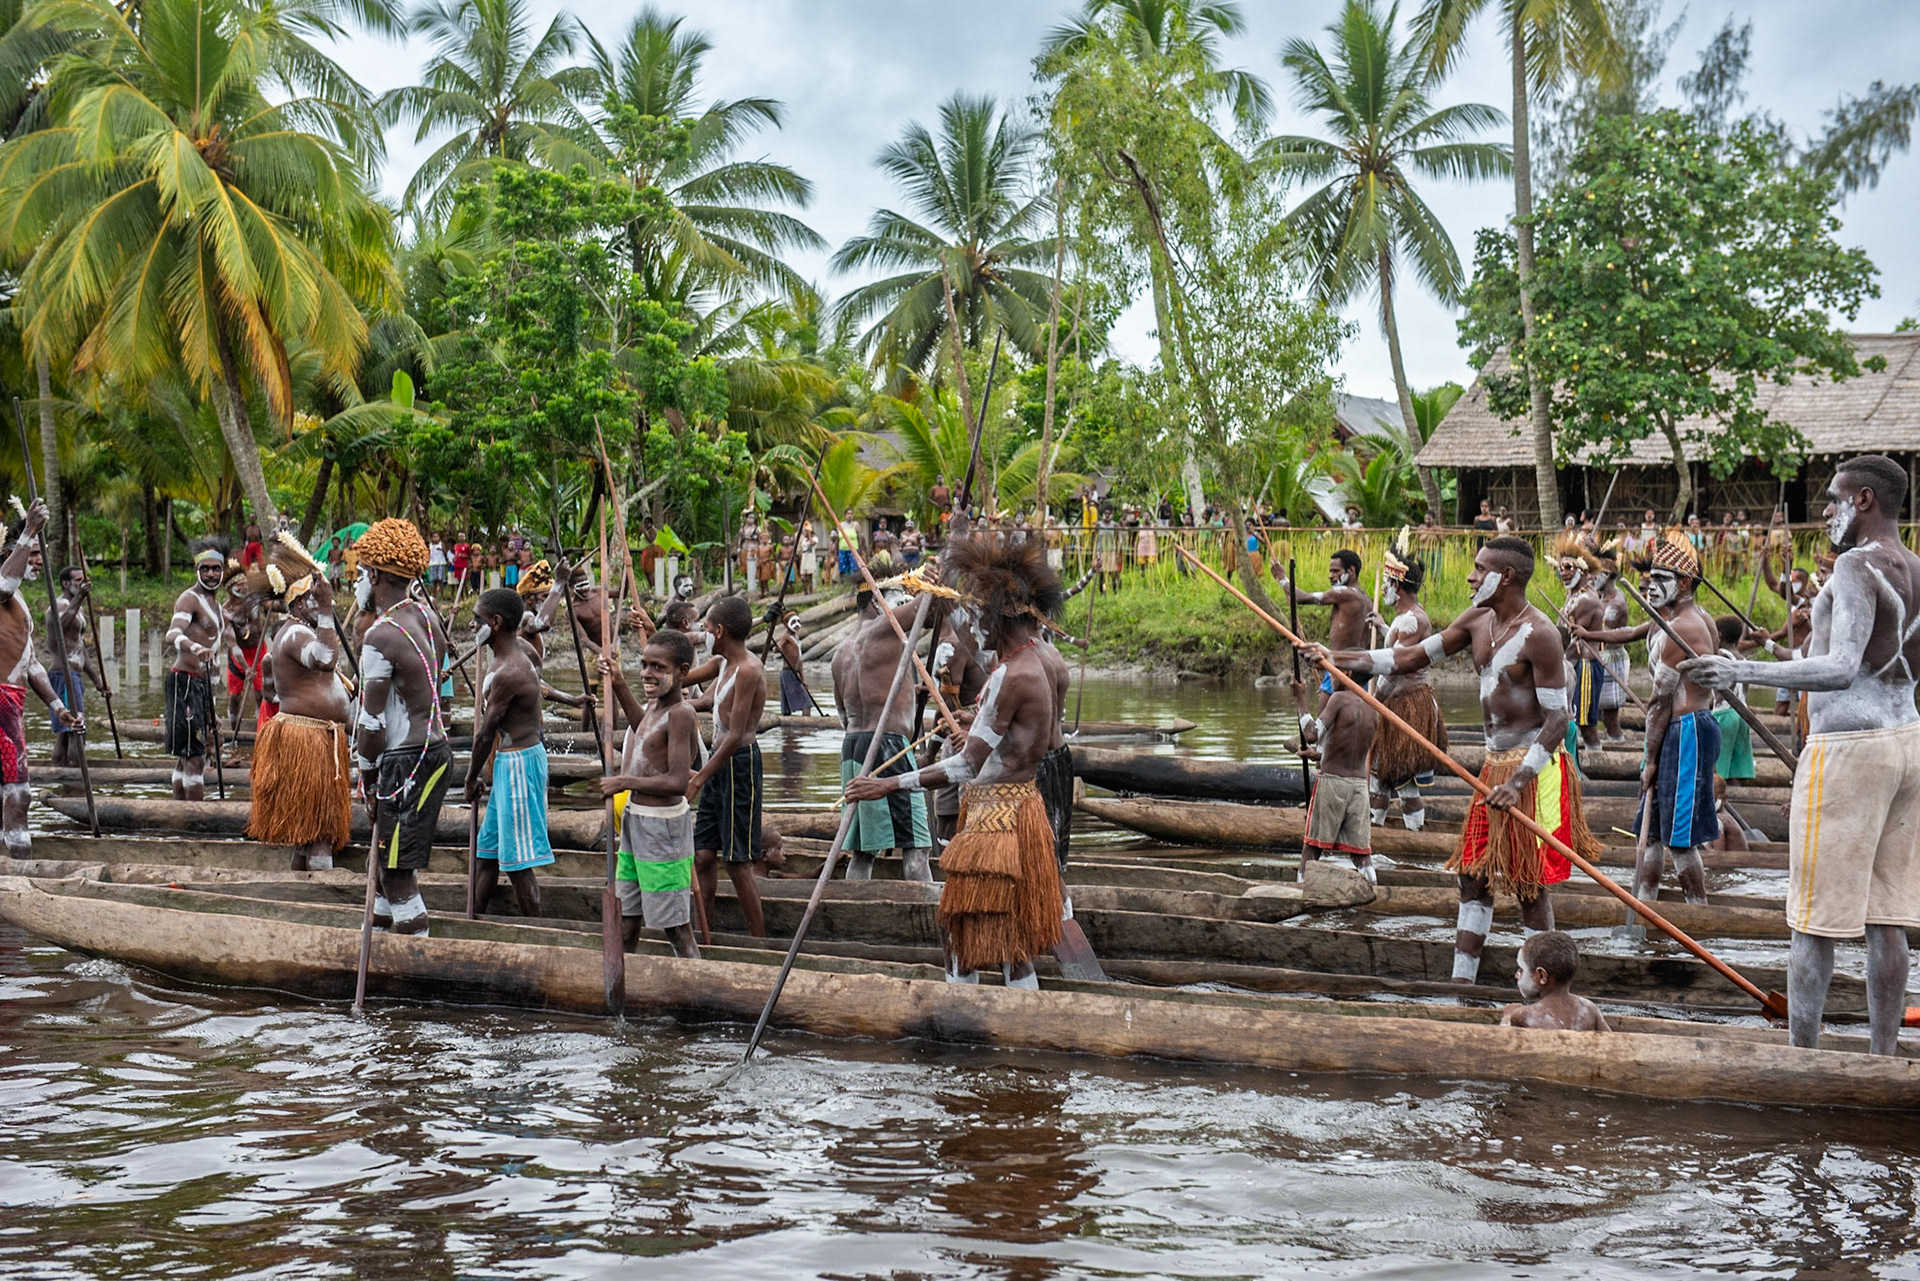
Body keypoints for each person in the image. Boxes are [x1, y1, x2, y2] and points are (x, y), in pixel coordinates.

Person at [1681, 455, 1920, 1056]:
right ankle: (1883, 1060)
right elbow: (1878, 665)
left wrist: (1741, 671)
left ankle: (1801, 1059)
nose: (1826, 513)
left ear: (1863, 500)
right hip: (1907, 741)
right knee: (1886, 916)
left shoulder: (1854, 565)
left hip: (1849, 751)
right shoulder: (1916, 567)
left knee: (1812, 918)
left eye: (1834, 500)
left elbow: (1841, 669)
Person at [1319, 536, 1602, 984]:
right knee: (1472, 876)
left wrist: (1519, 781)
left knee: (1529, 885)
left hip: (1535, 768)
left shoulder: (1541, 634)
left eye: (1478, 568)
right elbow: (1409, 656)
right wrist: (1335, 656)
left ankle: (1550, 987)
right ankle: (1460, 981)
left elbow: (1558, 720)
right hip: (1493, 766)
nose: (1469, 576)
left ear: (1505, 577)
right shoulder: (1476, 620)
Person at [844, 534, 1067, 987]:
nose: (975, 628)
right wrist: (939, 591)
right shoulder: (1032, 661)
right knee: (1007, 937)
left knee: (959, 929)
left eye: (981, 616)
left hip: (998, 819)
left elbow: (967, 766)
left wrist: (885, 785)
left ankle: (967, 1025)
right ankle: (1011, 1026)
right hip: (1018, 810)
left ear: (1000, 617)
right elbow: (1010, 736)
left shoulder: (1011, 674)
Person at [353, 519, 451, 937]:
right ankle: (379, 944)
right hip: (435, 752)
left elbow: (371, 723)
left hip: (405, 763)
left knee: (396, 875)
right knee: (383, 862)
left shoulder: (380, 635)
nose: (356, 582)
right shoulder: (427, 618)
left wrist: (368, 778)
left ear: (374, 575)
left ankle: (417, 957)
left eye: (359, 573)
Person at [1621, 530, 1722, 910]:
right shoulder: (1683, 619)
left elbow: (1661, 701)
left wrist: (1649, 760)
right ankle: (1645, 904)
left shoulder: (1684, 627)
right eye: (1648, 580)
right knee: (1649, 832)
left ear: (1683, 583)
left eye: (1659, 581)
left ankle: (1699, 913)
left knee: (1680, 837)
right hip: (1684, 730)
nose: (1649, 587)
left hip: (1688, 730)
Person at [244, 534, 348, 871]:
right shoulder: (296, 633)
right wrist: (329, 612)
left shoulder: (300, 629)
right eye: (315, 599)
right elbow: (325, 659)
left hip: (316, 736)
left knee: (309, 832)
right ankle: (322, 901)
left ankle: (302, 889)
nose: (320, 603)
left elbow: (327, 675)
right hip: (308, 740)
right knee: (319, 829)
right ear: (299, 601)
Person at [600, 629, 702, 959]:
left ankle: (696, 987)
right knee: (628, 922)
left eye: (658, 667)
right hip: (635, 822)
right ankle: (626, 988)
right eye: (644, 665)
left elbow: (676, 783)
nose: (647, 673)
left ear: (682, 672)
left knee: (675, 927)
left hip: (663, 829)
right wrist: (617, 683)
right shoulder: (656, 707)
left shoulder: (682, 714)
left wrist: (625, 782)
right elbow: (642, 731)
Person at [831, 582, 934, 881]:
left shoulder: (841, 653)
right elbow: (924, 606)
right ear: (876, 604)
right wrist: (933, 577)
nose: (903, 604)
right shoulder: (884, 627)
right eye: (898, 600)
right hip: (887, 748)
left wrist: (911, 695)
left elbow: (844, 715)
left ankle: (855, 911)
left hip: (853, 747)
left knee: (863, 852)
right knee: (916, 848)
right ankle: (926, 917)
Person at [463, 588, 553, 918]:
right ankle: (472, 921)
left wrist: (471, 777)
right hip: (508, 763)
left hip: (519, 765)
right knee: (487, 854)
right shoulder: (512, 656)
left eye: (477, 620)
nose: (473, 626)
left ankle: (538, 933)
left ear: (496, 623)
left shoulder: (510, 670)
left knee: (516, 862)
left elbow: (486, 734)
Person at [0, 503, 83, 857]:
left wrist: (58, 706)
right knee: (19, 794)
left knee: (12, 791)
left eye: (38, 554)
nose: (37, 561)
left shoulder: (18, 602)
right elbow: (4, 584)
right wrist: (28, 533)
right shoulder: (3, 590)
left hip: (12, 702)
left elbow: (30, 663)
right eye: (32, 554)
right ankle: (18, 869)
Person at [685, 595, 767, 937]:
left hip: (737, 766)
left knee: (737, 862)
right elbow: (687, 682)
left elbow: (734, 736)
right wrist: (656, 664)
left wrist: (699, 778)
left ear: (719, 631)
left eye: (705, 629)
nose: (702, 634)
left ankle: (760, 942)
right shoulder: (722, 665)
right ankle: (708, 934)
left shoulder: (747, 669)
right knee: (703, 855)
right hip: (719, 765)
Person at [1369, 538, 1445, 831]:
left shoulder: (1412, 620)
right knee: (1380, 773)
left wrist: (1374, 697)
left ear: (1398, 586)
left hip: (1407, 703)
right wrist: (1382, 626)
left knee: (1402, 776)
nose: (1385, 589)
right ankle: (1375, 827)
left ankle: (1415, 834)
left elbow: (1397, 666)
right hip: (1397, 701)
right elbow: (1399, 646)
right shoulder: (1405, 618)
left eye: (1387, 583)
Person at [1290, 669, 1379, 882]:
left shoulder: (1339, 699)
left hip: (1332, 784)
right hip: (1358, 787)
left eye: (1334, 672)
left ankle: (1302, 890)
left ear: (1347, 672)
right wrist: (1318, 756)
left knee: (1312, 847)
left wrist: (1300, 699)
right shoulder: (1372, 707)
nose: (1330, 679)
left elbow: (1312, 734)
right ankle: (1373, 889)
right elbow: (1351, 748)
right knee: (1362, 855)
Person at [164, 540, 230, 801]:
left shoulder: (216, 606)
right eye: (205, 569)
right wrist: (194, 647)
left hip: (201, 688)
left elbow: (214, 661)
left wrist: (211, 708)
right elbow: (173, 634)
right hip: (185, 682)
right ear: (196, 571)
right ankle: (195, 817)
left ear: (223, 571)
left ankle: (181, 813)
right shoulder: (189, 599)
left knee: (189, 754)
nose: (211, 574)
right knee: (194, 755)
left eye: (215, 569)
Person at [1275, 550, 1373, 696]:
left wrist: (1281, 577)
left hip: (1339, 669)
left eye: (1335, 571)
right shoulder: (1367, 600)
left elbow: (1301, 598)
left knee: (1324, 718)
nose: (1330, 576)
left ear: (1351, 571)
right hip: (1358, 672)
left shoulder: (1344, 593)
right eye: (1330, 571)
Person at [1552, 532, 1609, 751]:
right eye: (1561, 568)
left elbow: (1574, 642)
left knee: (1584, 724)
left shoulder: (1586, 599)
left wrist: (1558, 670)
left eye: (1569, 568)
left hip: (1584, 665)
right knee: (1575, 719)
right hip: (1575, 664)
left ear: (1583, 570)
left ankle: (1594, 760)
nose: (1563, 573)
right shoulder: (1574, 594)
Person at [1498, 931, 1610, 1031]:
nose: (1516, 975)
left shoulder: (1524, 1015)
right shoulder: (1589, 1008)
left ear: (1542, 976)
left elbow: (1500, 1041)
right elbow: (1614, 1043)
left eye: (1521, 970)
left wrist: (1507, 1017)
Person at [49, 565, 104, 768]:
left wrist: (98, 682)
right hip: (63, 675)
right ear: (66, 583)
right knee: (77, 730)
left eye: (83, 581)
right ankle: (74, 777)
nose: (83, 585)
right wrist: (79, 597)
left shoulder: (77, 610)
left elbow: (81, 650)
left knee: (67, 734)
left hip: (74, 675)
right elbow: (60, 625)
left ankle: (62, 776)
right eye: (78, 581)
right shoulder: (59, 606)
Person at [224, 578, 274, 736]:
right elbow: (233, 645)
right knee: (234, 698)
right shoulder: (226, 611)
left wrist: (278, 597)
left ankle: (261, 730)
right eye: (240, 584)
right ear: (231, 588)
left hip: (258, 652)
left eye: (246, 583)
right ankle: (234, 733)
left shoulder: (255, 599)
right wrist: (245, 668)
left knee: (261, 694)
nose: (245, 587)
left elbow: (275, 605)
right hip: (238, 657)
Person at [773, 609, 812, 715]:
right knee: (806, 704)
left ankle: (788, 728)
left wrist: (803, 679)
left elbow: (799, 661)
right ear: (786, 625)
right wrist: (777, 649)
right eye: (793, 622)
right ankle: (805, 727)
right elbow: (777, 647)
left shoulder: (796, 637)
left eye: (798, 622)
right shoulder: (785, 637)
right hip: (788, 673)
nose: (797, 625)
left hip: (794, 673)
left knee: (787, 709)